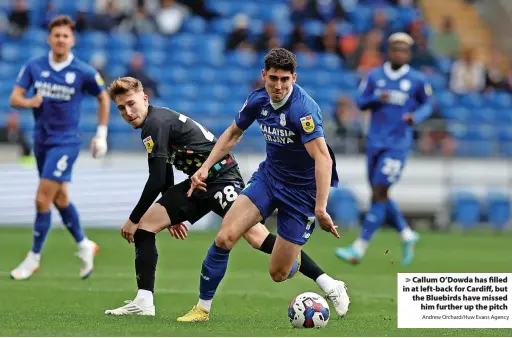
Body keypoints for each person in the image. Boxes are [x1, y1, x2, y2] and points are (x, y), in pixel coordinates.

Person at [103, 77, 349, 318]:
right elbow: (164, 170)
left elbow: (156, 179)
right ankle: (144, 301)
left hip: (222, 177)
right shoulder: (154, 124)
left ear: (144, 99)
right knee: (146, 228)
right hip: (197, 184)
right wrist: (172, 212)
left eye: (131, 103)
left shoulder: (155, 124)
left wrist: (132, 218)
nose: (127, 111)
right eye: (121, 108)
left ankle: (328, 283)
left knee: (256, 237)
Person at [178, 48, 349, 322]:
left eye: (284, 79)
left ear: (294, 77)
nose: (278, 86)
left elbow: (323, 158)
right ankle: (202, 309)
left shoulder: (304, 110)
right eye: (272, 79)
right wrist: (205, 166)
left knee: (279, 273)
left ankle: (329, 282)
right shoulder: (258, 100)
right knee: (225, 237)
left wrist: (320, 207)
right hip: (269, 179)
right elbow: (233, 134)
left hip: (302, 194)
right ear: (263, 76)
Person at [9, 15, 109, 280]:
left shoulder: (83, 71)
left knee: (42, 198)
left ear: (72, 40)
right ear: (49, 39)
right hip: (41, 139)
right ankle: (84, 244)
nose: (61, 40)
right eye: (57, 35)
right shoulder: (35, 66)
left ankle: (33, 257)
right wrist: (30, 102)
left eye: (66, 36)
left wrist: (101, 134)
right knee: (59, 197)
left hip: (66, 142)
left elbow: (103, 98)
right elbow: (15, 97)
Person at [335, 33, 433, 266]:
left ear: (409, 53)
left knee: (379, 192)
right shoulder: (374, 76)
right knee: (379, 194)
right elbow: (360, 101)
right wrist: (378, 97)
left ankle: (358, 248)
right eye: (396, 49)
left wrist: (415, 117)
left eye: (404, 50)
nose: (400, 53)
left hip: (397, 144)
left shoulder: (417, 79)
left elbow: (428, 104)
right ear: (389, 51)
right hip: (374, 142)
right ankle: (408, 235)